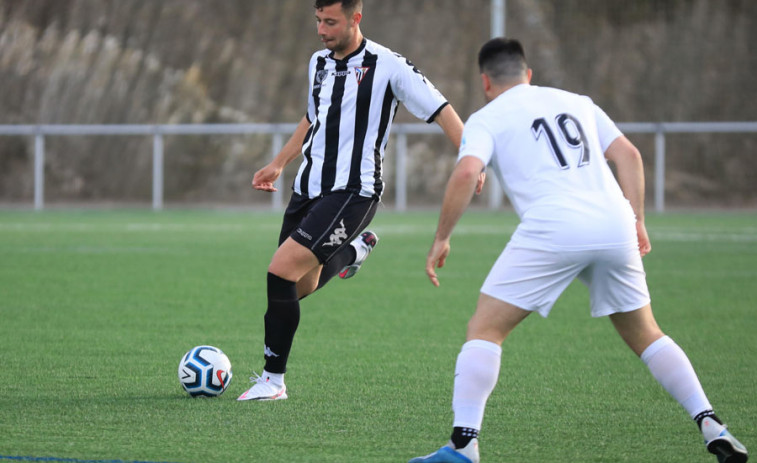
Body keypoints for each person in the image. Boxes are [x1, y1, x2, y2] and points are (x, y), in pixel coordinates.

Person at [409, 38, 748, 463]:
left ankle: (463, 447)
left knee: (485, 329)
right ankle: (711, 422)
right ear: (528, 74)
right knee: (646, 333)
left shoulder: (486, 117)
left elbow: (466, 173)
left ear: (485, 82)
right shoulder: (577, 101)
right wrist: (638, 218)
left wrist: (442, 236)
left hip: (554, 226)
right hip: (614, 222)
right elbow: (628, 154)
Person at [237, 0, 479, 401]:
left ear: (356, 18)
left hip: (354, 191)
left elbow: (442, 111)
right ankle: (351, 255)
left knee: (279, 273)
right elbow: (314, 117)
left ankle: (272, 381)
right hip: (308, 188)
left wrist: (473, 158)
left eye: (331, 21)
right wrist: (279, 163)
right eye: (318, 20)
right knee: (298, 285)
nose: (321, 30)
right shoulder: (318, 63)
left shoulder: (389, 65)